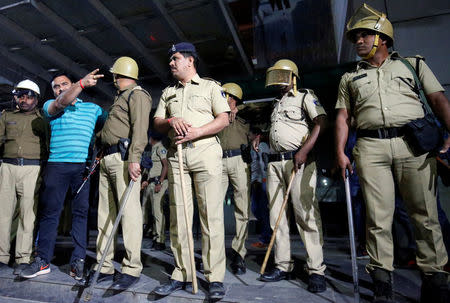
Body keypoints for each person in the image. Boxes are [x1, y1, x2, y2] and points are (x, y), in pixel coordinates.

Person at [335, 4, 450, 303]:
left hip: (413, 145)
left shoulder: (412, 65)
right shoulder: (350, 78)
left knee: (425, 214)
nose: (358, 41)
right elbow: (343, 118)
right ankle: (382, 279)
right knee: (377, 217)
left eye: (364, 35)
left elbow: (438, 100)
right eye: (355, 37)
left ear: (383, 38)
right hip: (371, 148)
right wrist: (340, 152)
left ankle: (435, 280)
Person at [152, 42, 230, 300]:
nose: (171, 63)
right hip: (177, 157)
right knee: (180, 218)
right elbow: (157, 122)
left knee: (211, 218)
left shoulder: (211, 87)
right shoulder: (167, 92)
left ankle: (214, 277)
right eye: (171, 59)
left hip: (206, 151)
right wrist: (171, 121)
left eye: (175, 58)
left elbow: (223, 119)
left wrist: (197, 131)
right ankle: (181, 273)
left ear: (190, 61)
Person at [20, 71, 107, 281]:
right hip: (57, 166)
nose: (60, 89)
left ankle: (78, 261)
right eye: (56, 86)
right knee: (50, 213)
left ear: (71, 84)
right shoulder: (52, 106)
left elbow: (109, 126)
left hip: (82, 168)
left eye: (63, 84)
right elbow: (61, 102)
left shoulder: (93, 109)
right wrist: (80, 84)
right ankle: (43, 260)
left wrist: (101, 151)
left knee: (81, 214)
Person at [255, 59, 328, 293]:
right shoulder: (277, 103)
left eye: (282, 76)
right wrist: (263, 137)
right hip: (275, 164)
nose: (278, 82)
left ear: (293, 77)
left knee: (305, 214)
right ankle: (282, 265)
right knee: (277, 218)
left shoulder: (305, 97)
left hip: (299, 162)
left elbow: (321, 122)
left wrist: (304, 150)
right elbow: (281, 131)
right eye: (275, 77)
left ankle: (316, 270)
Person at [92, 56, 152, 290]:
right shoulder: (120, 97)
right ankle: (104, 266)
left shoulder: (138, 94)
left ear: (118, 75)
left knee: (129, 215)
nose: (113, 79)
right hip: (108, 158)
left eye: (114, 76)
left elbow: (140, 130)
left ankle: (131, 268)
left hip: (124, 158)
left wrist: (135, 158)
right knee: (104, 216)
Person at [0, 80, 48, 274]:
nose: (24, 100)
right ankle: (2, 256)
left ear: (36, 99)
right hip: (7, 167)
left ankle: (23, 258)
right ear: (15, 97)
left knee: (28, 216)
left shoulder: (43, 119)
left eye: (29, 96)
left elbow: (47, 145)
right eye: (21, 96)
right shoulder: (6, 116)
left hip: (32, 169)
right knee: (3, 215)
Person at [217, 82, 251, 275]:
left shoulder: (246, 115)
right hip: (219, 160)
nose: (223, 98)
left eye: (226, 96)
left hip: (240, 160)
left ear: (234, 98)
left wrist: (237, 111)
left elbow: (259, 112)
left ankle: (239, 254)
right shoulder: (216, 114)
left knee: (242, 207)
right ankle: (216, 253)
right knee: (213, 206)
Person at [141, 132, 169, 250]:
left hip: (158, 182)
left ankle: (160, 240)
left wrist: (160, 182)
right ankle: (153, 235)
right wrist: (146, 180)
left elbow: (165, 165)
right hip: (151, 182)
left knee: (157, 211)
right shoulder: (153, 149)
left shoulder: (161, 148)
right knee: (147, 210)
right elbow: (151, 167)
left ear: (151, 138)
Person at [248, 127, 272, 249]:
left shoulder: (262, 145)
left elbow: (264, 164)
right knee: (256, 209)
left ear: (256, 135)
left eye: (250, 134)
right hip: (255, 181)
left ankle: (266, 238)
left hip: (262, 181)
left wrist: (263, 180)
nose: (248, 136)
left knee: (262, 210)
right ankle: (267, 235)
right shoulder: (253, 147)